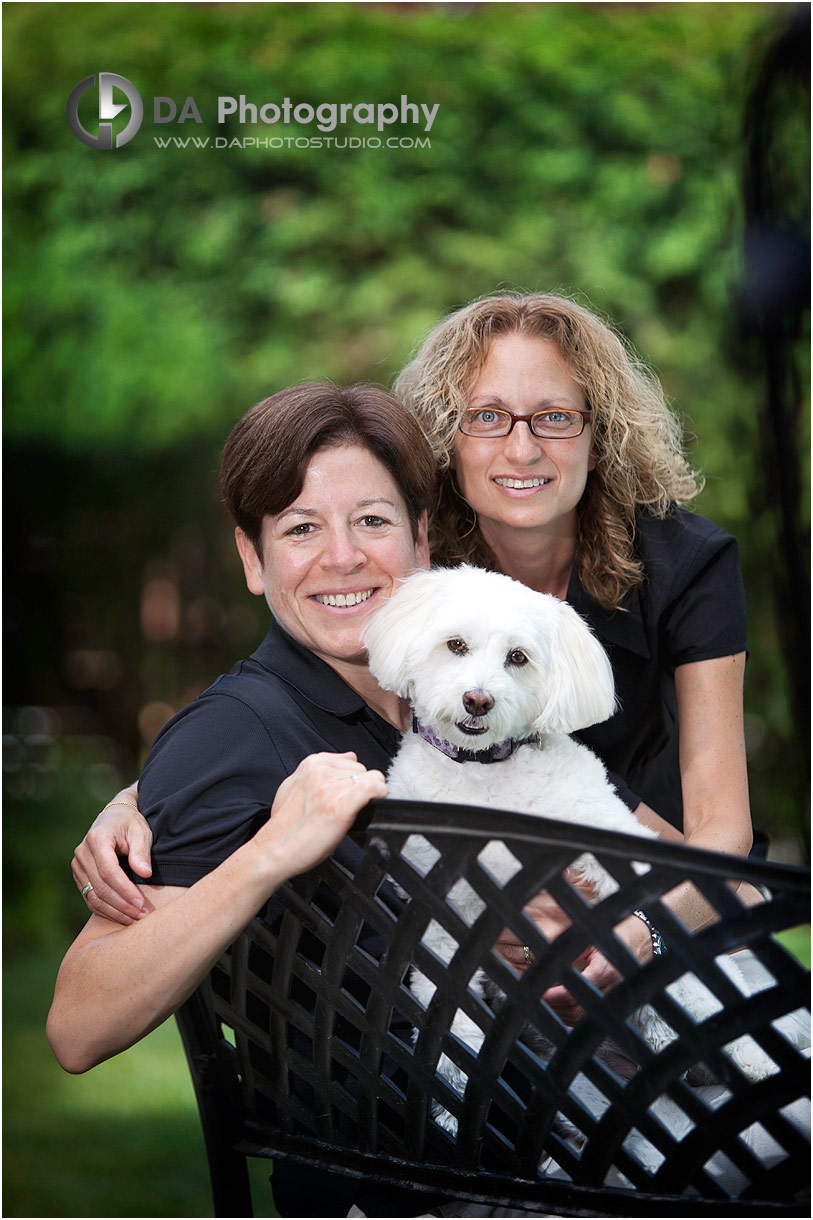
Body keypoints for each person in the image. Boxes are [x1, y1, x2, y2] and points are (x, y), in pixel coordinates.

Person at [75, 292, 766, 1010]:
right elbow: (271, 722)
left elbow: (715, 841)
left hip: (645, 882)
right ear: (446, 440)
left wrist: (642, 928)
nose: (521, 448)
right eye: (486, 418)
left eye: (555, 417)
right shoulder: (414, 586)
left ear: (603, 431)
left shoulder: (675, 564)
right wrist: (149, 797)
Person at [49, 381, 460, 1217]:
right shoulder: (237, 730)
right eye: (301, 528)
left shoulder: (453, 695)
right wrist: (267, 853)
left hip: (534, 1146)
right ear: (251, 558)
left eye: (372, 521)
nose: (342, 556)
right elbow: (78, 1024)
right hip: (391, 1192)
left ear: (421, 539)